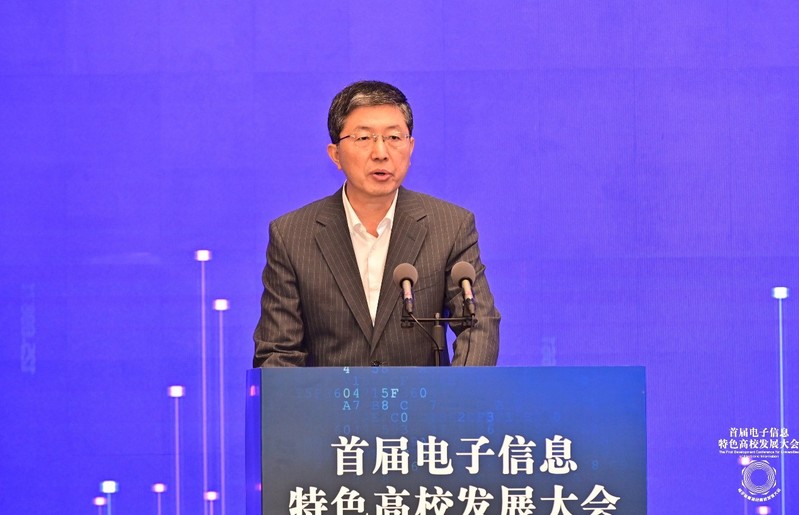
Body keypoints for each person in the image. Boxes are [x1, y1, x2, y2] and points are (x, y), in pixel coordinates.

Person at [253, 80, 499, 367]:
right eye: (363, 138)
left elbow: (478, 325)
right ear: (335, 155)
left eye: (394, 137)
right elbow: (278, 351)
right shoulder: (292, 236)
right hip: (330, 398)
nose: (381, 152)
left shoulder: (451, 226)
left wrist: (456, 394)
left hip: (424, 398)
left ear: (410, 147)